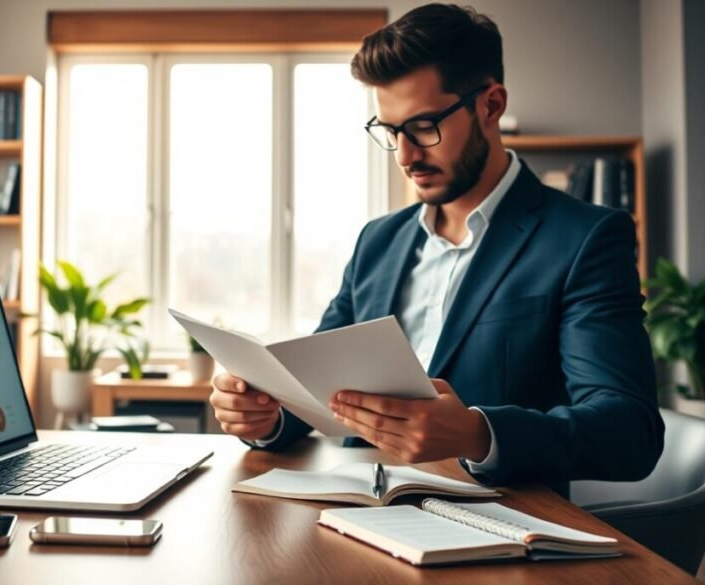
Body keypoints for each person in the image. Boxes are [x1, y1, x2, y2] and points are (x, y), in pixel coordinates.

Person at [208, 3, 663, 494]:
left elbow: (630, 431)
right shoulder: (378, 242)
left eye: (424, 127)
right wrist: (265, 416)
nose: (405, 156)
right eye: (391, 132)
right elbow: (321, 390)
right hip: (355, 510)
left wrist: (479, 434)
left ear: (491, 105)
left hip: (500, 521)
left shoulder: (585, 238)